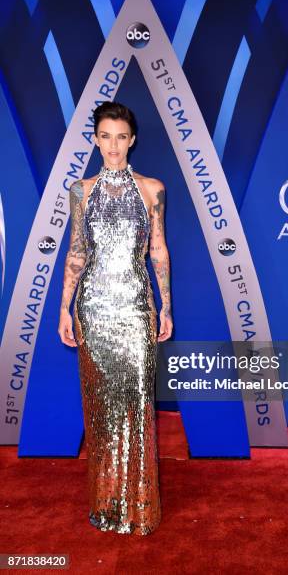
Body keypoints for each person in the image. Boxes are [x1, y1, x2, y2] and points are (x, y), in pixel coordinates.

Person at [58, 101, 173, 535]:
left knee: (137, 405)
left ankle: (139, 507)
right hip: (94, 308)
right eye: (105, 136)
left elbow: (158, 249)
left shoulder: (153, 189)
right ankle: (107, 505)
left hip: (137, 307)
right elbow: (76, 253)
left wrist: (166, 305)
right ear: (95, 139)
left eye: (121, 136)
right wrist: (64, 308)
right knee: (101, 411)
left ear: (133, 139)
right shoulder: (79, 191)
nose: (113, 145)